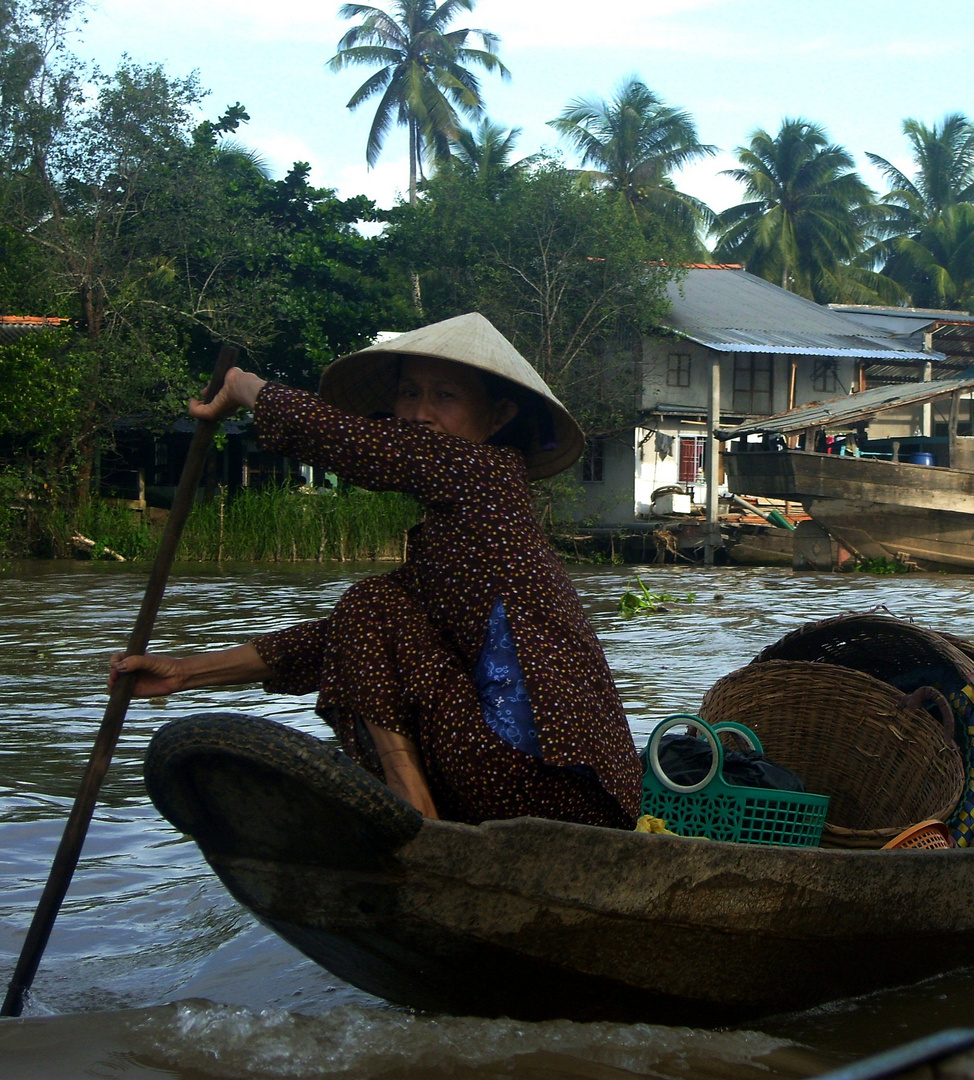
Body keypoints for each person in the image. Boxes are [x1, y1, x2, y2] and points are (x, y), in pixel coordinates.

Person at [110, 313, 642, 828]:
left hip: (543, 775)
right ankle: (415, 807)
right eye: (410, 393)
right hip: (558, 786)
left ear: (498, 418)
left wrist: (246, 387)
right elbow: (342, 641)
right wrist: (185, 671)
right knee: (368, 611)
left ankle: (413, 812)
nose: (419, 413)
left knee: (369, 601)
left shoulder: (487, 473)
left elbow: (356, 445)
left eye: (445, 396)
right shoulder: (455, 533)